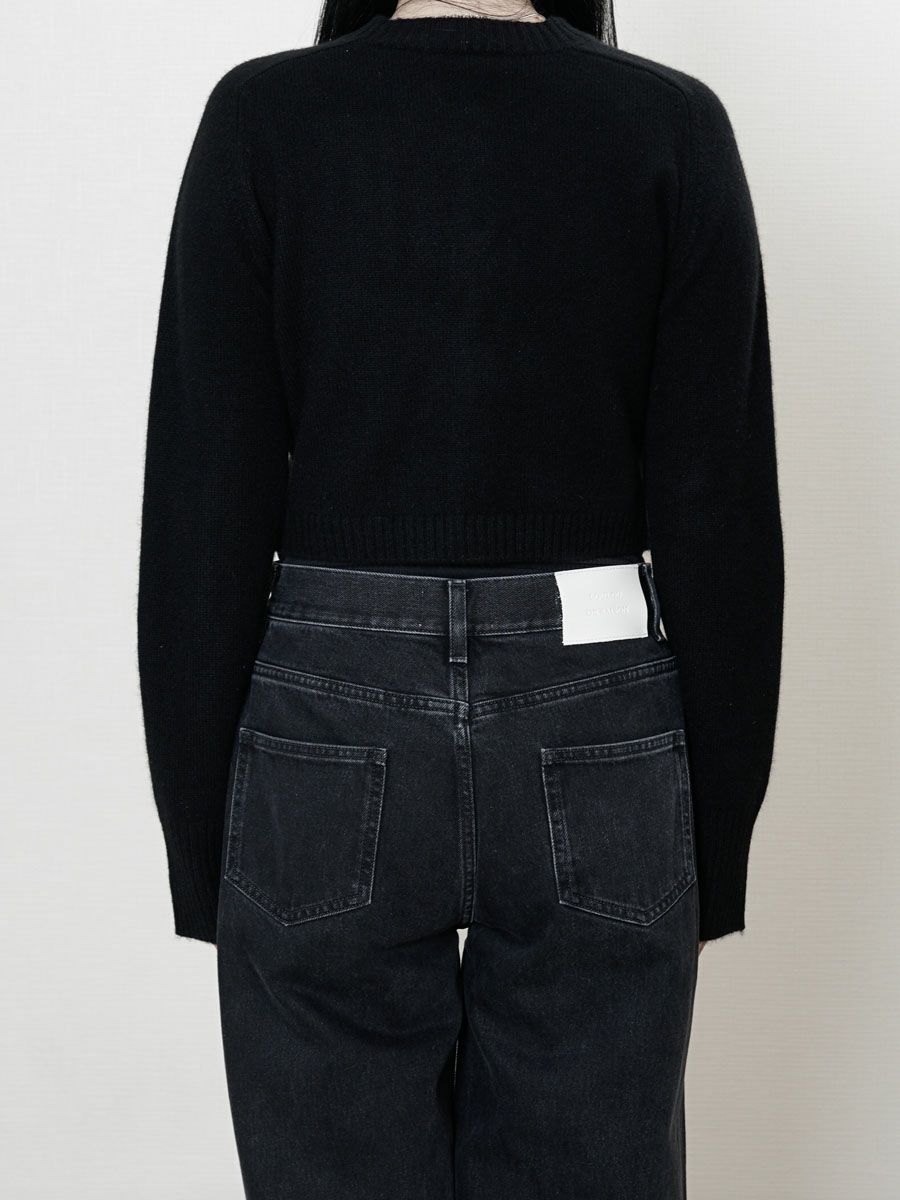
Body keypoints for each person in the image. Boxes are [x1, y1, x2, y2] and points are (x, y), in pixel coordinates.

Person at [137, 0, 784, 1194]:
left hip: (330, 714)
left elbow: (202, 501)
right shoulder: (669, 125)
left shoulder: (265, 118)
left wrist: (204, 849)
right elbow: (720, 515)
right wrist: (712, 851)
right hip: (593, 707)